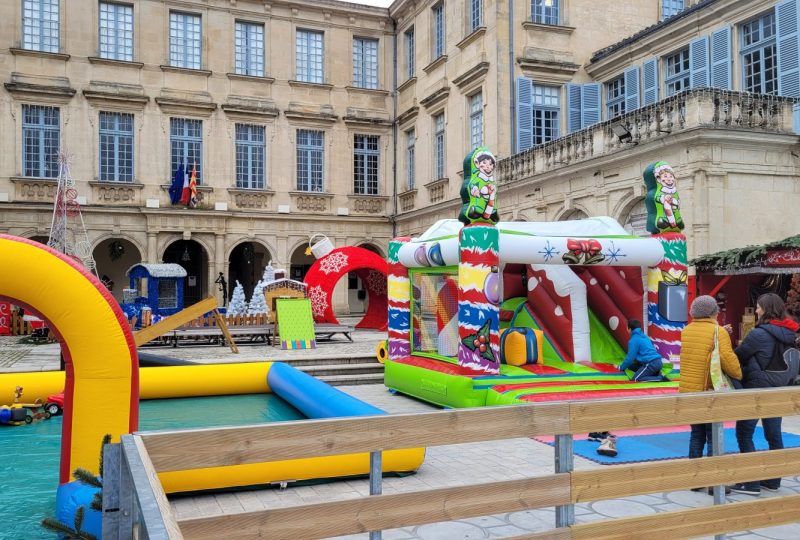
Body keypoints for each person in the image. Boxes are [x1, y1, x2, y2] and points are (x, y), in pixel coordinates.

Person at [729, 293, 799, 496]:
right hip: (779, 388)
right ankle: (773, 480)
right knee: (774, 435)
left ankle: (750, 483)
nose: (756, 310)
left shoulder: (758, 334)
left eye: (758, 307)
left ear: (766, 309)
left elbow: (737, 357)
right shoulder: (790, 334)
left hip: (757, 388)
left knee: (744, 432)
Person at [680, 295, 742, 494]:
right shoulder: (717, 331)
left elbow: (701, 348)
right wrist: (739, 374)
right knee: (713, 436)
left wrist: (721, 331)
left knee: (696, 434)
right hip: (709, 390)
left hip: (689, 391)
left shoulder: (686, 331)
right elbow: (727, 358)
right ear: (713, 312)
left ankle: (695, 479)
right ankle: (714, 484)